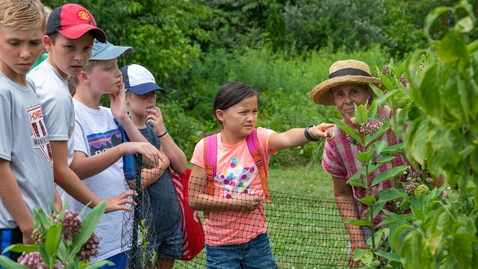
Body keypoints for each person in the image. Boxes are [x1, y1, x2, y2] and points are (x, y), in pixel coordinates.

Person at [309, 59, 443, 268]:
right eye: (340, 94)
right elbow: (342, 193)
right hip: (369, 224)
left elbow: (433, 176)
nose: (347, 101)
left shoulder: (401, 124)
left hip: (414, 221)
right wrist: (357, 243)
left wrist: (436, 223)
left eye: (354, 92)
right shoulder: (335, 139)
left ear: (369, 92)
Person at [188, 81, 335, 268]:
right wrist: (236, 204)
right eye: (243, 112)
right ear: (221, 115)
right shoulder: (205, 148)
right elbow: (194, 199)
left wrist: (310, 132)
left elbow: (286, 137)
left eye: (254, 111)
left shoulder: (259, 138)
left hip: (257, 241)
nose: (251, 118)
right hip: (220, 246)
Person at [28, 3, 142, 215]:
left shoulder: (38, 77)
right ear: (48, 43)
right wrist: (101, 204)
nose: (79, 57)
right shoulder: (57, 95)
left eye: (86, 48)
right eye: (70, 47)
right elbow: (60, 170)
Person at [68, 41, 163, 268]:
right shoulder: (71, 113)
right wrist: (122, 147)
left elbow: (152, 159)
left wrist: (123, 119)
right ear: (84, 76)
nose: (118, 74)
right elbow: (76, 168)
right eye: (109, 68)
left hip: (124, 235)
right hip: (90, 239)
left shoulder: (111, 114)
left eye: (117, 66)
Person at [0, 0, 58, 263]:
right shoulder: (2, 92)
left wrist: (54, 200)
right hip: (14, 230)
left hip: (40, 222)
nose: (25, 53)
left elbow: (37, 154)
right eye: (14, 43)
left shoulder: (28, 85)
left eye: (34, 43)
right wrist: (27, 226)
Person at [122, 64, 188, 269]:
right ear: (125, 96)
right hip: (142, 227)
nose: (150, 99)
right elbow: (135, 183)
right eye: (143, 94)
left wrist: (162, 131)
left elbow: (182, 166)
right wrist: (164, 162)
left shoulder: (154, 128)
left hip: (169, 223)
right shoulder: (121, 130)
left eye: (153, 94)